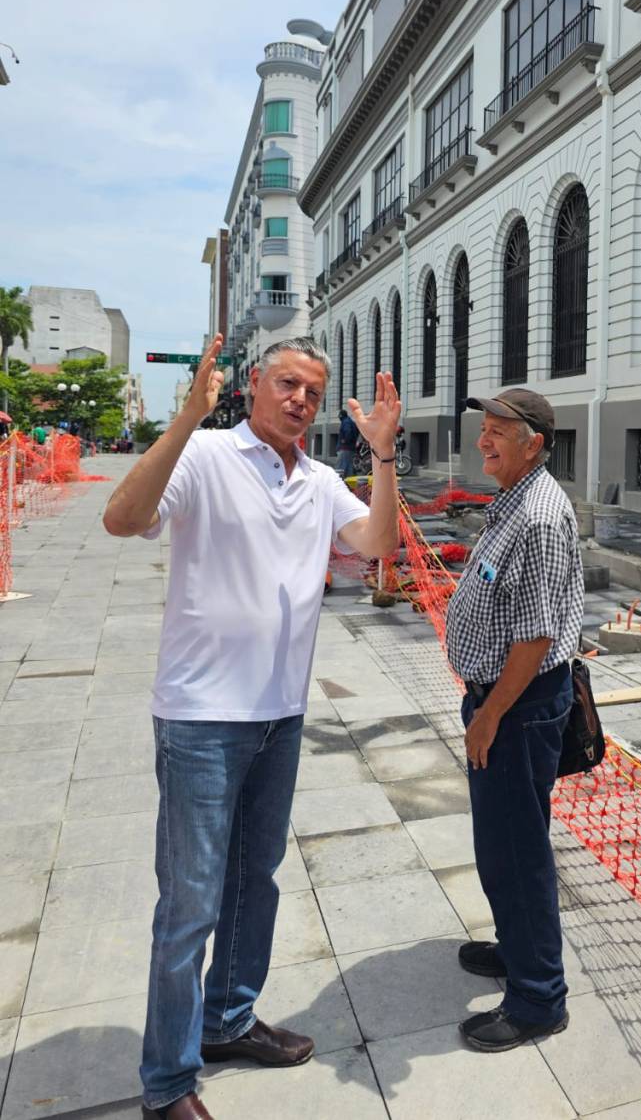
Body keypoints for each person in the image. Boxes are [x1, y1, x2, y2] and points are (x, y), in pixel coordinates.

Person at [103, 334, 401, 1120]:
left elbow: (376, 544)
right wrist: (185, 420)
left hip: (279, 715)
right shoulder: (205, 456)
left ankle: (228, 1018)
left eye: (313, 388)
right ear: (254, 388)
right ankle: (167, 1083)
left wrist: (384, 457)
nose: (300, 398)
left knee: (253, 883)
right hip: (201, 718)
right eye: (286, 383)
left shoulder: (322, 479)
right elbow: (121, 517)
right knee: (190, 904)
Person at [445, 388, 584, 1052]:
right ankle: (516, 946)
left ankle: (538, 998)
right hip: (501, 702)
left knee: (518, 851)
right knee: (500, 844)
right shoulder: (514, 497)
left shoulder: (539, 515)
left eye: (498, 430)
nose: (485, 441)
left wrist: (488, 715)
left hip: (517, 708)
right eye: (485, 429)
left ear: (534, 440)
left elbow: (534, 638)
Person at [336, 409, 359, 478]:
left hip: (344, 448)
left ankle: (340, 483)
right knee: (349, 467)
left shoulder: (345, 422)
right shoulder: (352, 422)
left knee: (341, 467)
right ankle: (349, 483)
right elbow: (357, 431)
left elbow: (347, 432)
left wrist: (345, 440)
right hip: (351, 448)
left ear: (341, 416)